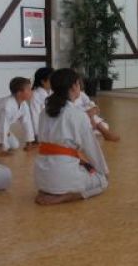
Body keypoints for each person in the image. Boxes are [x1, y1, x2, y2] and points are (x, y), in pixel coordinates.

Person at [34, 68, 110, 205]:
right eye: (79, 83)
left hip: (40, 176)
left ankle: (49, 190)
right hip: (61, 173)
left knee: (83, 166)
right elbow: (91, 148)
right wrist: (104, 171)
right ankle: (65, 196)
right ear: (74, 86)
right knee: (102, 181)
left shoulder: (44, 113)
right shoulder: (78, 115)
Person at [0, 76, 36, 155]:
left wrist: (29, 142)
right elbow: (2, 126)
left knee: (15, 145)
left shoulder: (23, 104)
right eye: (29, 89)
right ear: (19, 93)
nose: (32, 92)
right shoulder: (6, 106)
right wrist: (1, 147)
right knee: (4, 147)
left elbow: (27, 122)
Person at [29, 66, 54, 142]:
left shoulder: (52, 92)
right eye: (51, 79)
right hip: (41, 129)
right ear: (43, 81)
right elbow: (35, 116)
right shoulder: (35, 95)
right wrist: (38, 134)